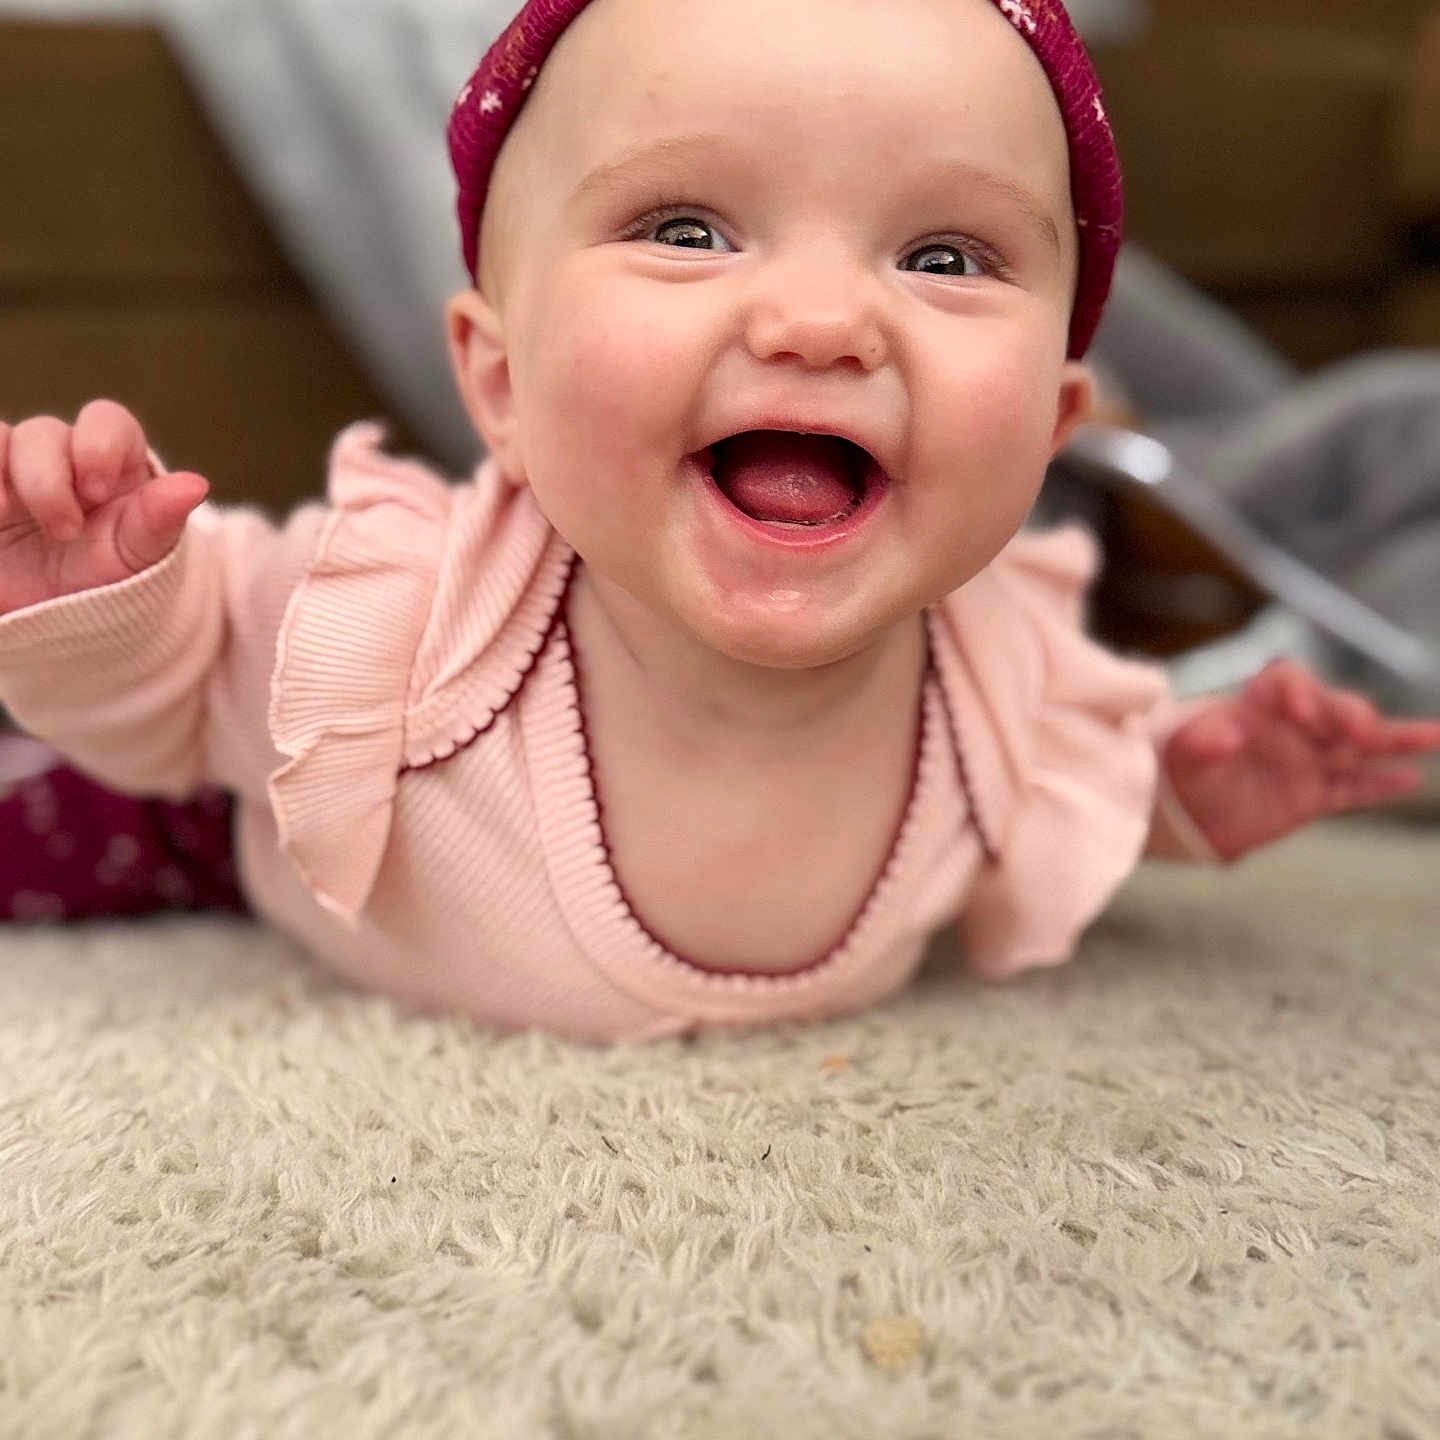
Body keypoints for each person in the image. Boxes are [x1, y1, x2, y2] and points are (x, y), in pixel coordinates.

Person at [1, 0, 1437, 1040]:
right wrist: (90, 598)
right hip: (268, 817)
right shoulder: (401, 619)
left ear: (1056, 429)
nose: (821, 321)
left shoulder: (1014, 685)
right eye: (688, 230)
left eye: (945, 255)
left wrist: (1190, 797)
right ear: (499, 380)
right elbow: (169, 696)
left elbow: (1078, 806)